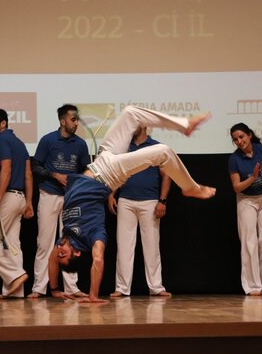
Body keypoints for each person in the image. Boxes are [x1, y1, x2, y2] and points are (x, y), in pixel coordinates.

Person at [48, 105, 216, 303]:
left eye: (59, 255)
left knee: (130, 112)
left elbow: (52, 260)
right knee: (162, 152)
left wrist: (55, 288)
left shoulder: (65, 237)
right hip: (109, 174)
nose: (59, 251)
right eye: (64, 255)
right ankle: (190, 188)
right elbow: (98, 260)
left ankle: (184, 125)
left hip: (104, 157)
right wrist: (93, 296)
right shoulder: (93, 236)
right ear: (76, 252)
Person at [28, 104, 91, 299]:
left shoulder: (81, 144)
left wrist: (77, 183)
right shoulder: (48, 140)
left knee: (70, 244)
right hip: (48, 195)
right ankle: (39, 288)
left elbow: (86, 170)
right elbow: (35, 166)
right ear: (63, 121)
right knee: (44, 242)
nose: (76, 123)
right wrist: (55, 175)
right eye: (73, 120)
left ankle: (71, 287)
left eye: (77, 119)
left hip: (71, 198)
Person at [108, 126, 172, 298]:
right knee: (124, 246)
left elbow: (167, 175)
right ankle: (121, 288)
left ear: (144, 125)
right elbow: (117, 173)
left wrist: (162, 201)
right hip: (126, 201)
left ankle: (156, 287)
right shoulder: (124, 147)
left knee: (152, 246)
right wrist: (111, 194)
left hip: (150, 201)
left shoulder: (156, 147)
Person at [0, 108, 34, 299]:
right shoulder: (19, 143)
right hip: (19, 199)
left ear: (3, 124)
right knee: (12, 243)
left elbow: (6, 169)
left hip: (8, 198)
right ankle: (16, 292)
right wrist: (28, 202)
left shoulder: (2, 140)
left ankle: (16, 275)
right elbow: (28, 174)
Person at [228, 123, 262, 297]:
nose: (239, 141)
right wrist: (254, 177)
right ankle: (251, 286)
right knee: (249, 241)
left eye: (241, 137)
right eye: (235, 139)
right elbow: (237, 187)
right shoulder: (234, 159)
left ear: (249, 135)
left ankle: (260, 284)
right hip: (246, 200)